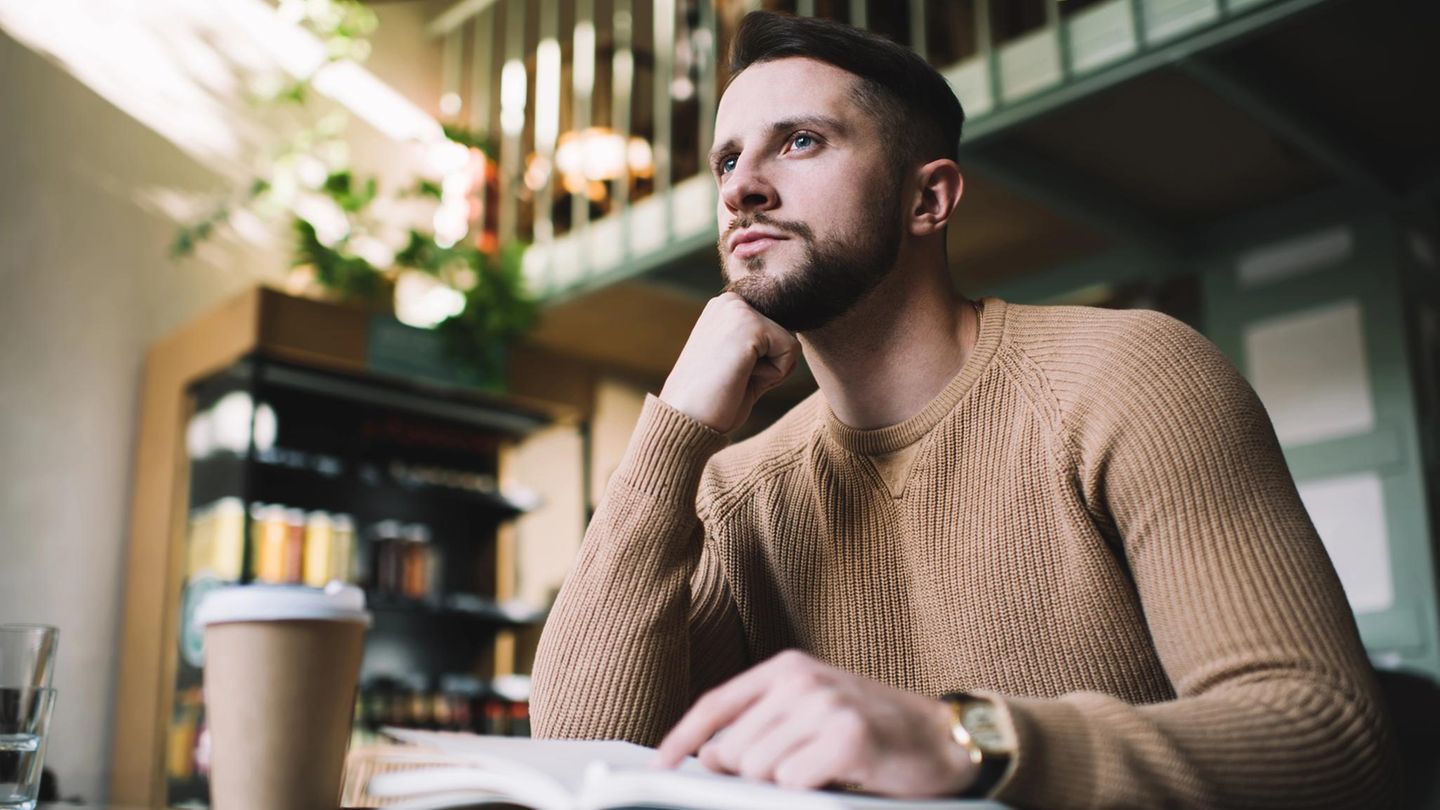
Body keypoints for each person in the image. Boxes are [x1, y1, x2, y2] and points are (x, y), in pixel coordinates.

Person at [531, 10, 1398, 808]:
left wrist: (968, 739)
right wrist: (674, 433)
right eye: (727, 161)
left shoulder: (1130, 377)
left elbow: (1329, 738)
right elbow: (582, 754)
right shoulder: (737, 492)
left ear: (928, 199)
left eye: (799, 141)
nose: (741, 189)